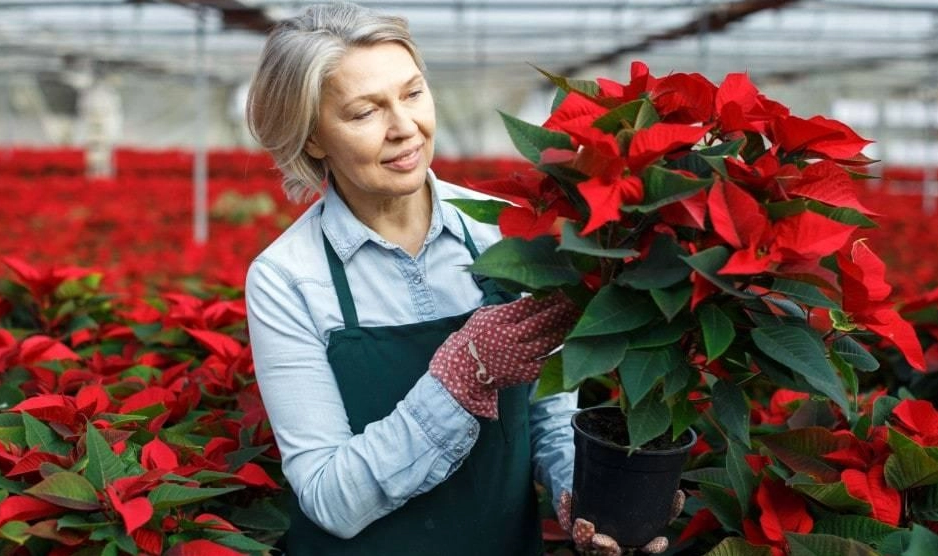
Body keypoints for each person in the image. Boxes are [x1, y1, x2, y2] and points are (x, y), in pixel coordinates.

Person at [243, 3, 676, 555]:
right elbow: (330, 499)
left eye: (413, 92)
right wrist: (461, 374)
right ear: (312, 139)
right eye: (363, 113)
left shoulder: (507, 235)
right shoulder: (287, 278)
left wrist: (587, 503)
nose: (405, 128)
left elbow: (548, 414)